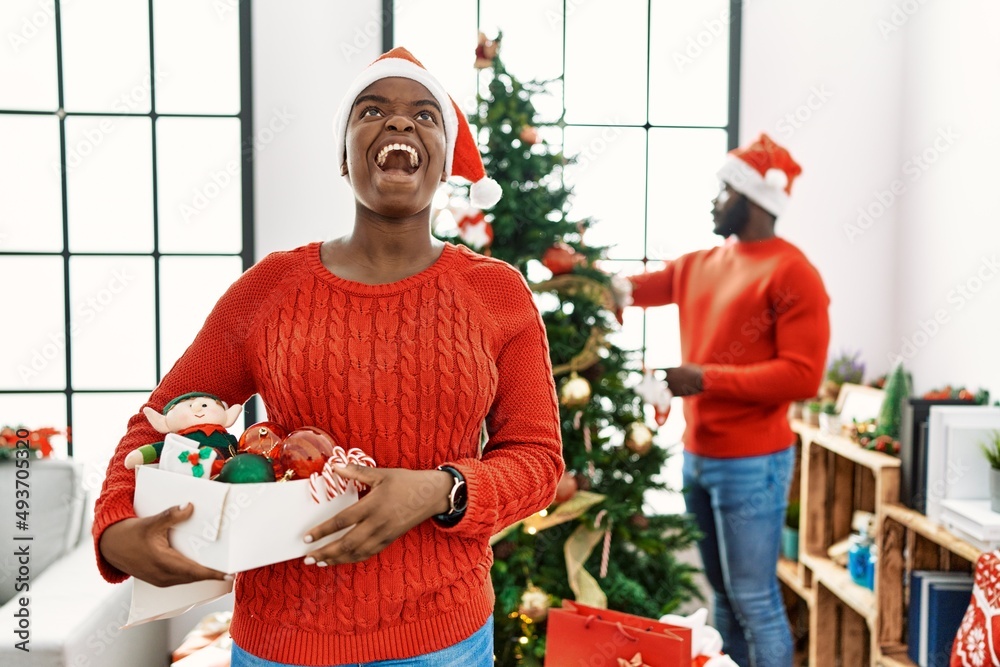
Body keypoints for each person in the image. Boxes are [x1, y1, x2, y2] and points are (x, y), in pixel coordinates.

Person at [93, 47, 564, 666]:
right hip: (280, 645)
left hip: (443, 643)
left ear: (447, 160)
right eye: (373, 110)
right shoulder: (270, 288)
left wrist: (438, 490)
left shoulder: (496, 291)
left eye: (425, 115)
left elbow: (537, 459)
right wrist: (116, 525)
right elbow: (158, 419)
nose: (400, 123)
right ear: (344, 156)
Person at [628, 134, 830, 667]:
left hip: (753, 462)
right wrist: (573, 276)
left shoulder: (792, 273)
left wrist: (706, 379)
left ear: (754, 199)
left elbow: (803, 376)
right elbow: (631, 289)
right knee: (721, 598)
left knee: (754, 599)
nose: (713, 200)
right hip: (699, 458)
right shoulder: (701, 264)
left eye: (723, 190)